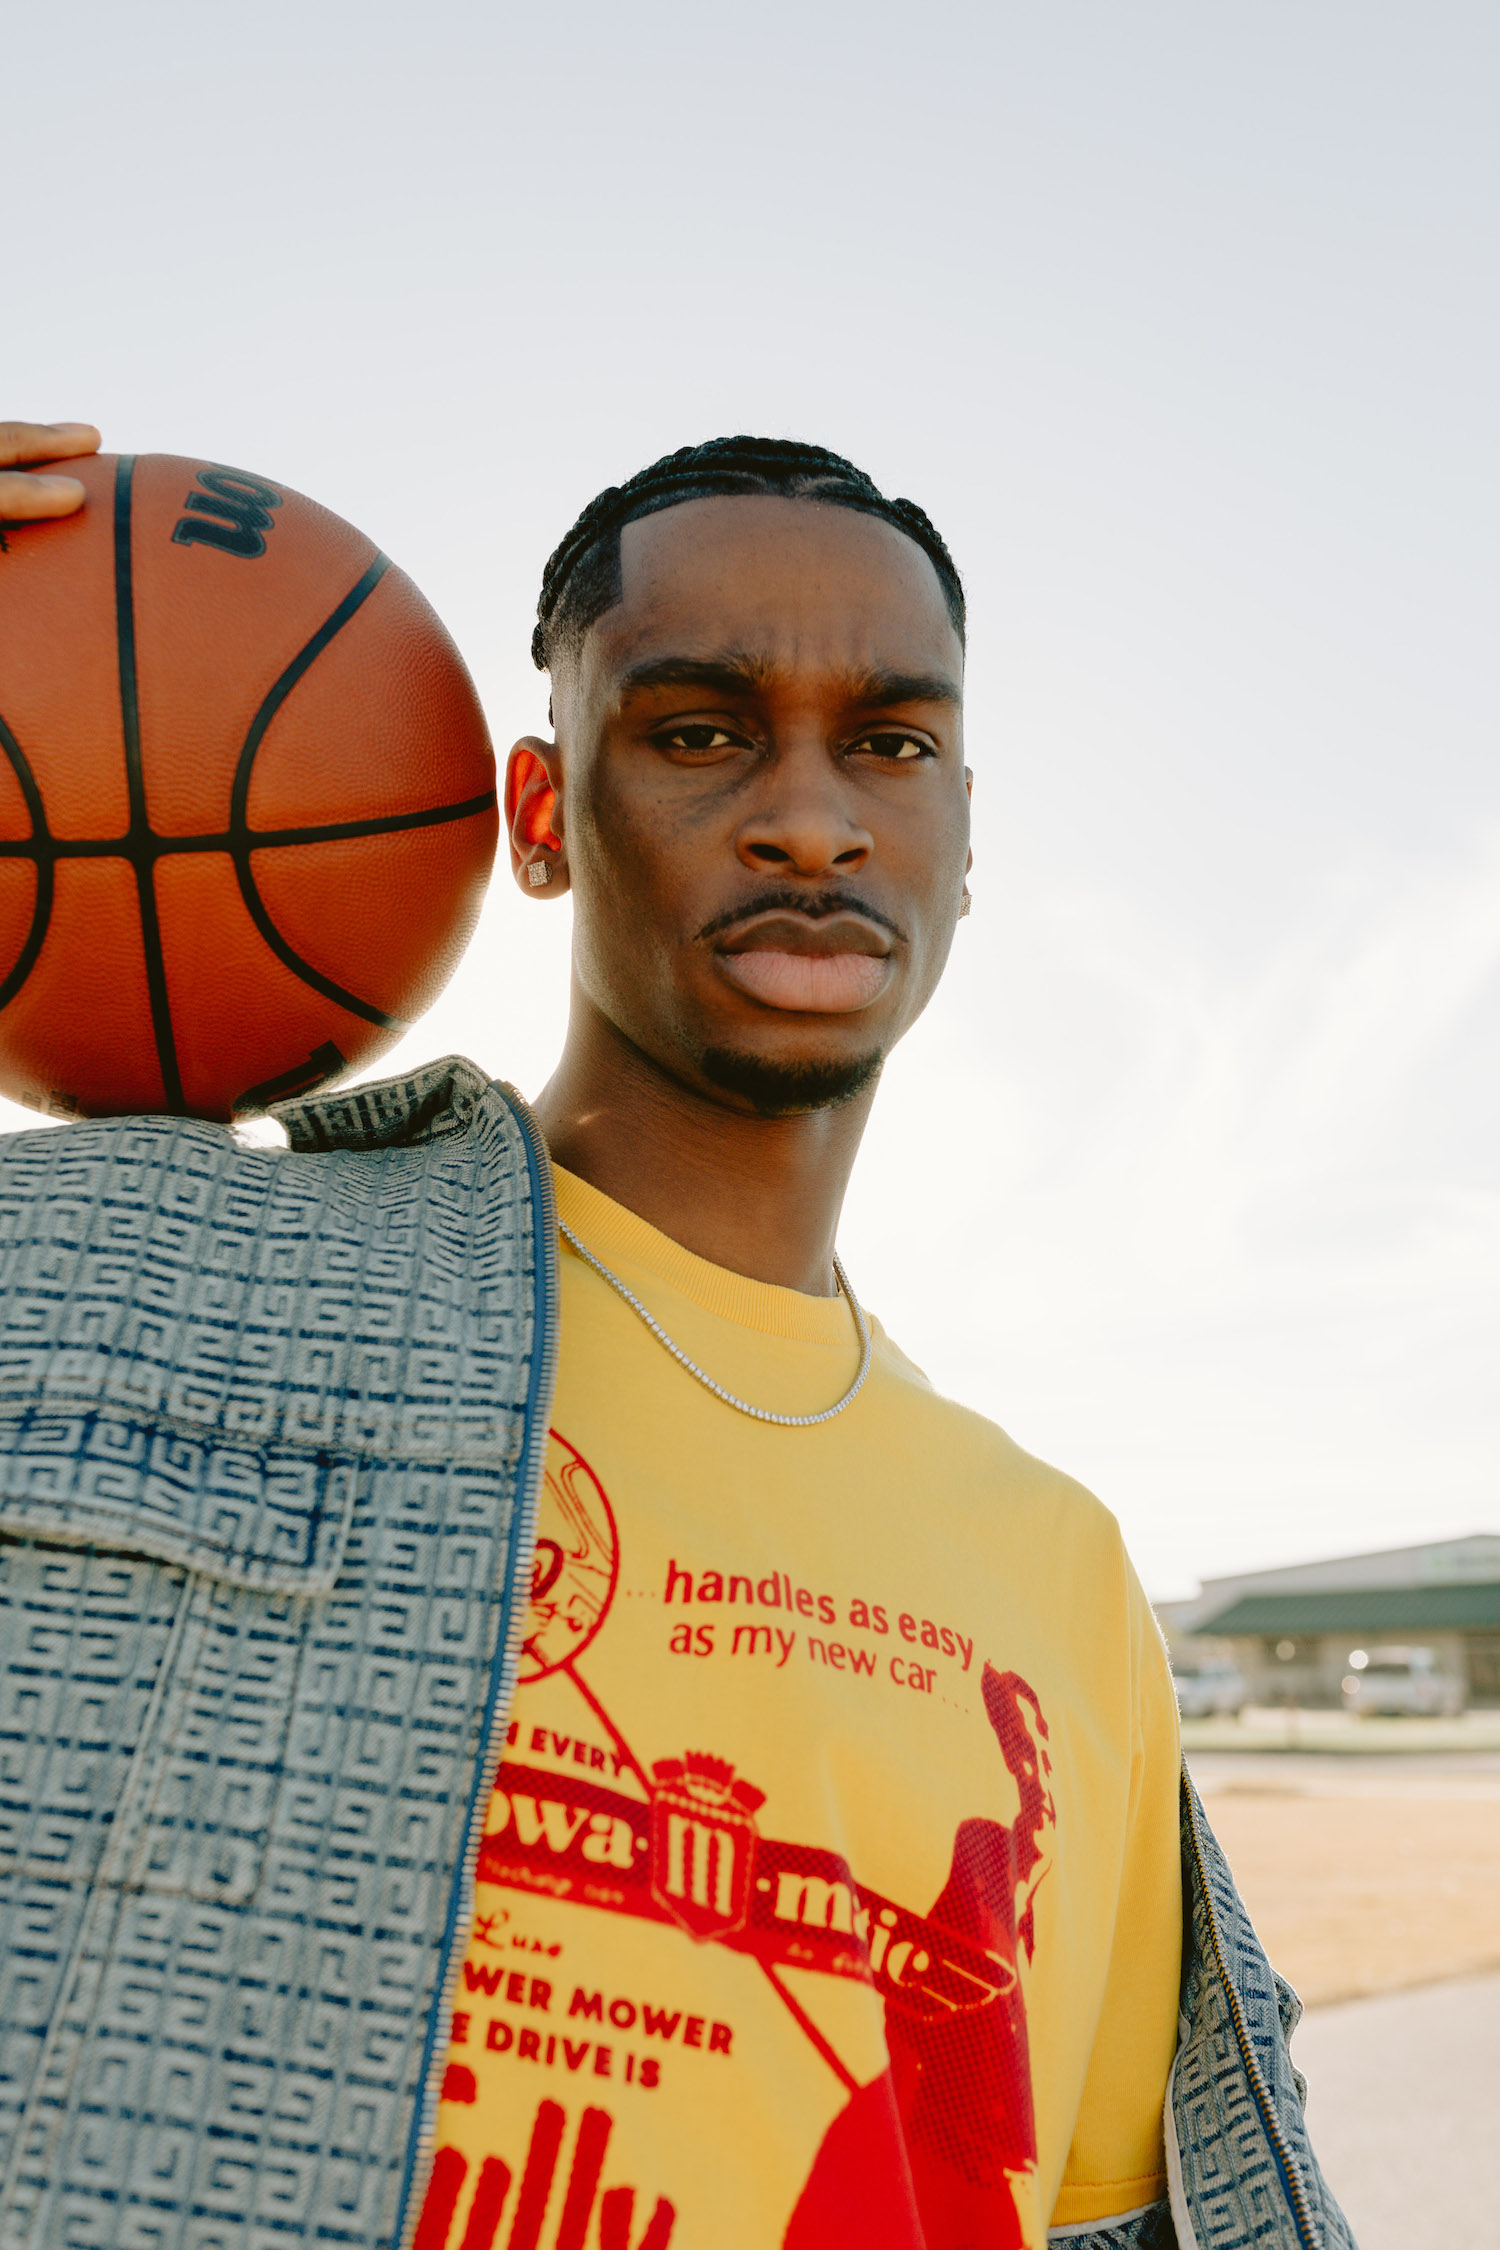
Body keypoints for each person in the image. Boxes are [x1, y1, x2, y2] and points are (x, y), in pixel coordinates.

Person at [0, 421, 1352, 2250]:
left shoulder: (1063, 1565)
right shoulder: (152, 1290)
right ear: (544, 820)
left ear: (962, 837)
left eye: (892, 741)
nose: (812, 811)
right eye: (701, 730)